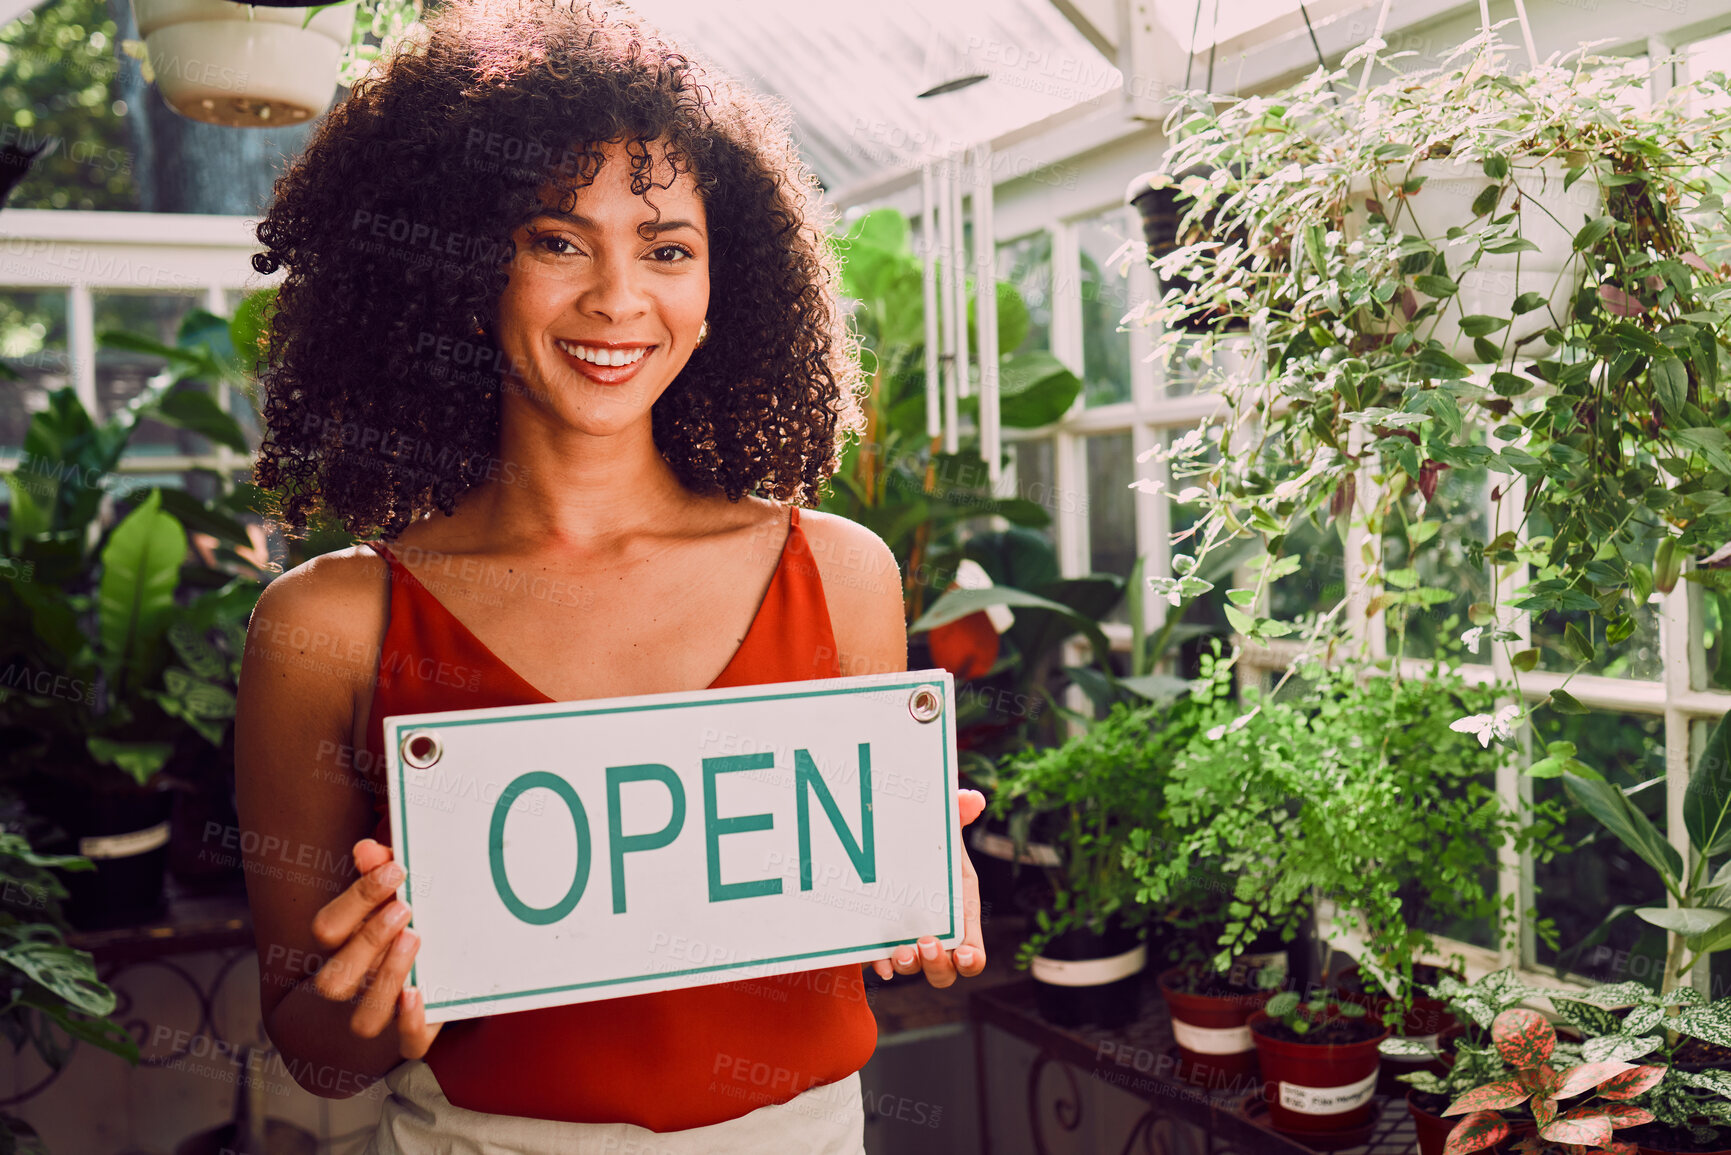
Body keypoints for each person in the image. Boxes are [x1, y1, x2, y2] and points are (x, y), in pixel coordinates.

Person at [231, 0, 985, 1151]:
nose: (618, 298)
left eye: (667, 247)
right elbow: (315, 1053)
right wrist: (368, 1006)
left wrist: (921, 895)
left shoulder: (841, 576)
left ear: (723, 283)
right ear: (460, 266)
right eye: (557, 240)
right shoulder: (327, 624)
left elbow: (856, 934)